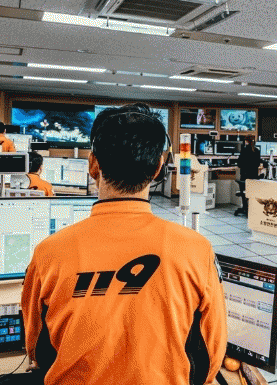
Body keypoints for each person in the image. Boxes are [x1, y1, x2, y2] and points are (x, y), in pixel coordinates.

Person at [21, 103, 227, 385]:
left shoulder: (49, 253)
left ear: (93, 165)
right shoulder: (196, 250)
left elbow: (35, 348)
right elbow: (211, 357)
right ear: (158, 168)